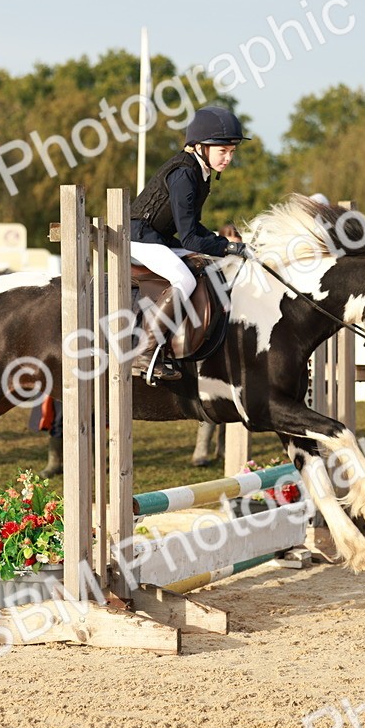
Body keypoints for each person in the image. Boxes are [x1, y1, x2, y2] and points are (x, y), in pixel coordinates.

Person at [129, 106, 252, 383]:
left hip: (158, 238)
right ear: (199, 147)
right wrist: (228, 247)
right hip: (137, 237)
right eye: (223, 151)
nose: (228, 158)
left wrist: (226, 247)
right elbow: (190, 238)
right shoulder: (184, 174)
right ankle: (144, 351)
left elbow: (194, 228)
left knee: (209, 266)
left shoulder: (201, 171)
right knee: (184, 279)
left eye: (232, 151)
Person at [190, 222, 243, 465]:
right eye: (229, 236)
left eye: (236, 235)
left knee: (229, 398)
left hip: (232, 337)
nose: (235, 239)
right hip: (213, 337)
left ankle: (223, 450)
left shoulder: (241, 265)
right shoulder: (216, 265)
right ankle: (201, 450)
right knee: (210, 396)